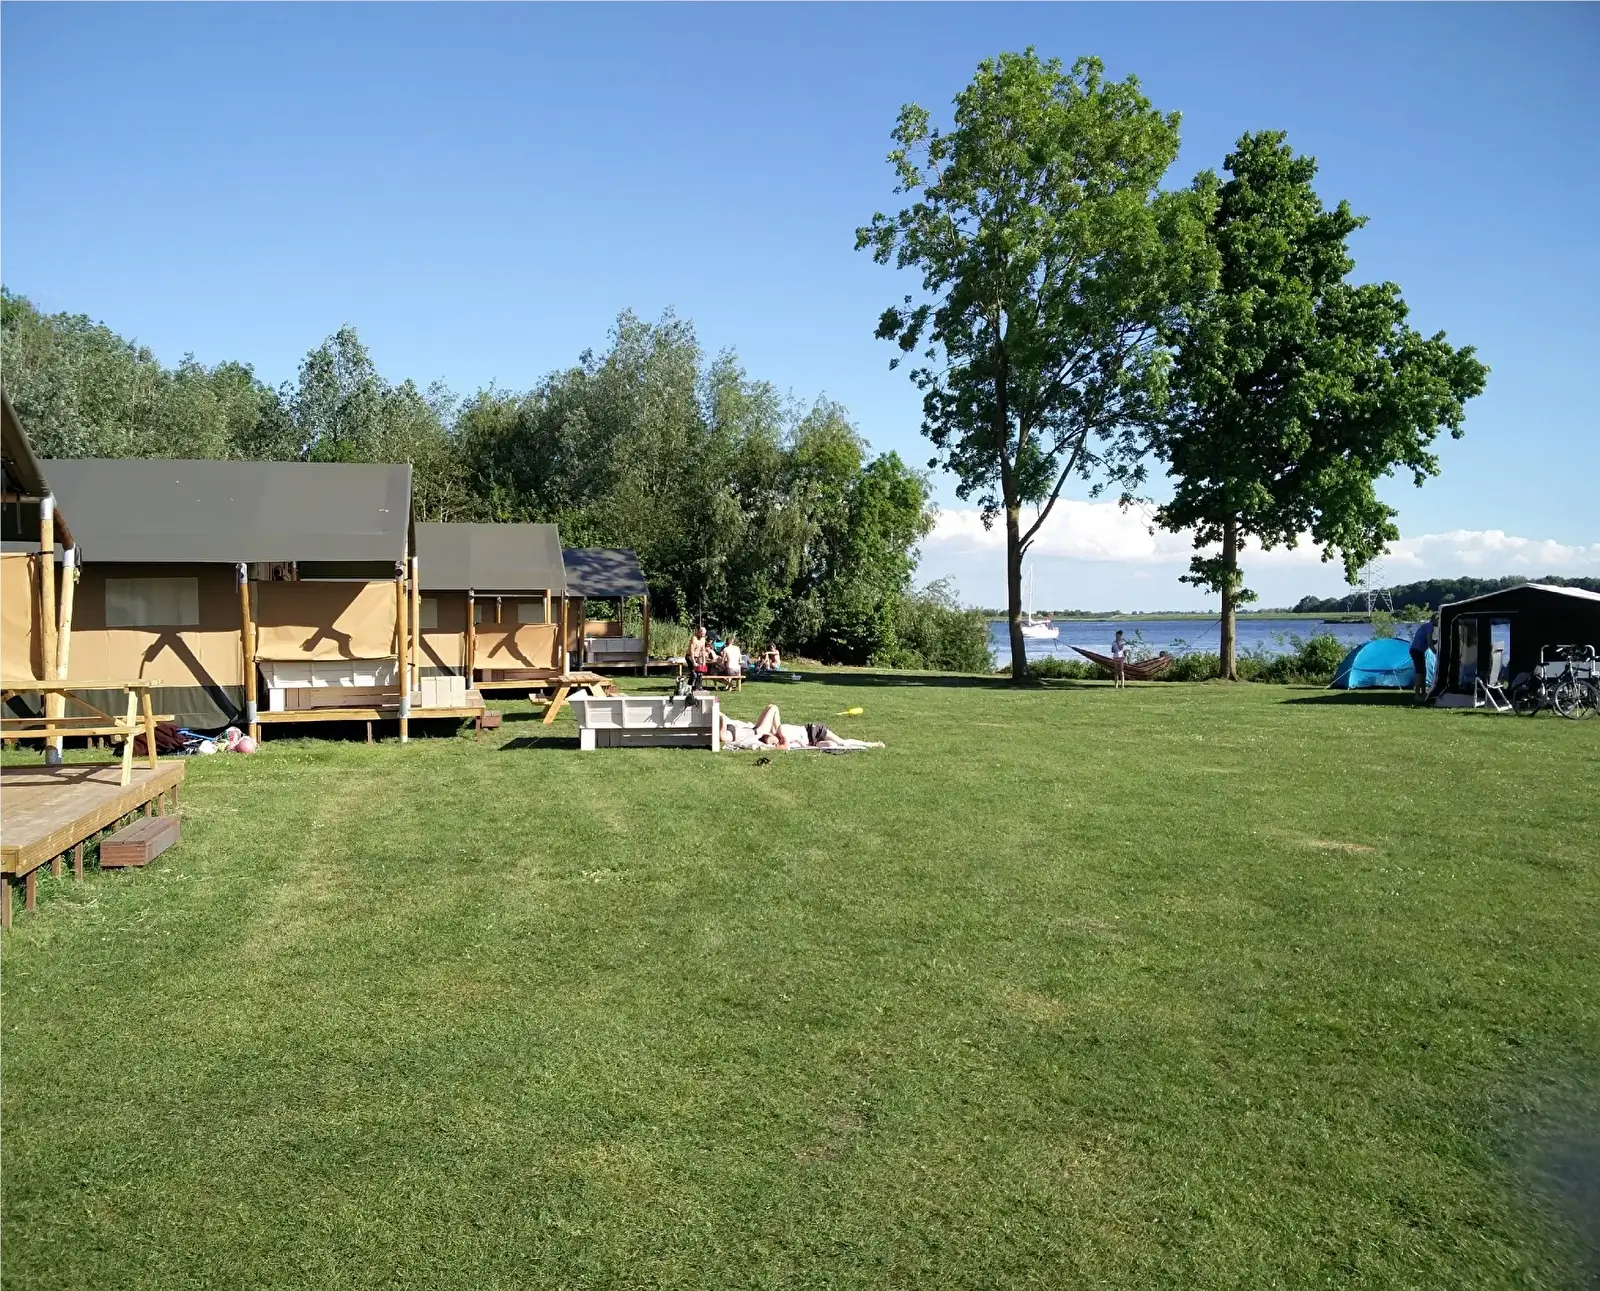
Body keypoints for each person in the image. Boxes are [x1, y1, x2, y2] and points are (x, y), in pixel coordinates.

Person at [1410, 614, 1436, 701]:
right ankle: (1417, 695)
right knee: (1419, 673)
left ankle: (1424, 693)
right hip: (1416, 650)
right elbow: (1429, 643)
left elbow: (1426, 641)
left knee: (1423, 672)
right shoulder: (1430, 626)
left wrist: (1437, 641)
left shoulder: (1427, 626)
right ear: (1435, 619)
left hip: (1418, 650)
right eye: (1439, 620)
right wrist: (1436, 653)